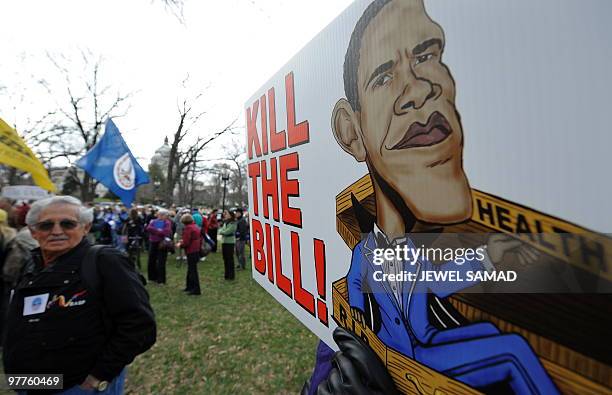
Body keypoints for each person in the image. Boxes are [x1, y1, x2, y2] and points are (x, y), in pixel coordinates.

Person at [313, 0, 558, 394]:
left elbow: (442, 281)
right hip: (407, 353)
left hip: (429, 342)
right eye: (383, 76)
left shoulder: (410, 251)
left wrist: (490, 255)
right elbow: (351, 304)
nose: (420, 91)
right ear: (351, 131)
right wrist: (357, 340)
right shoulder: (363, 255)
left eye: (428, 55)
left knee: (501, 339)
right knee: (511, 350)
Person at [2, 196, 156, 394]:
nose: (57, 231)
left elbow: (140, 325)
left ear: (85, 227)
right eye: (46, 225)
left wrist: (98, 376)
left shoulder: (104, 261)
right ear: (33, 231)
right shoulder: (31, 263)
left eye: (67, 224)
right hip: (29, 382)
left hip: (77, 385)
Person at [176, 213, 202, 295]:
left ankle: (196, 289)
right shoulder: (195, 226)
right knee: (190, 270)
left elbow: (186, 242)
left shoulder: (188, 228)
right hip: (196, 249)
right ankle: (189, 287)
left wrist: (180, 244)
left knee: (192, 271)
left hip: (191, 250)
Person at [146, 209, 172, 284]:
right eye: (160, 214)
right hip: (153, 242)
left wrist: (155, 231)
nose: (161, 216)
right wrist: (159, 231)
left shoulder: (167, 222)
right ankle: (151, 278)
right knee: (151, 260)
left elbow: (166, 232)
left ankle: (161, 280)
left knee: (161, 261)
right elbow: (148, 228)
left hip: (162, 243)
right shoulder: (153, 221)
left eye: (163, 215)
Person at [218, 210, 237, 280]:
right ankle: (226, 275)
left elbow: (227, 232)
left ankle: (231, 276)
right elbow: (220, 230)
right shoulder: (226, 222)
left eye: (227, 214)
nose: (225, 215)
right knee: (225, 259)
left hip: (230, 243)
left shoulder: (233, 223)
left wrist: (222, 232)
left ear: (231, 215)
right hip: (224, 242)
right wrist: (222, 231)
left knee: (230, 259)